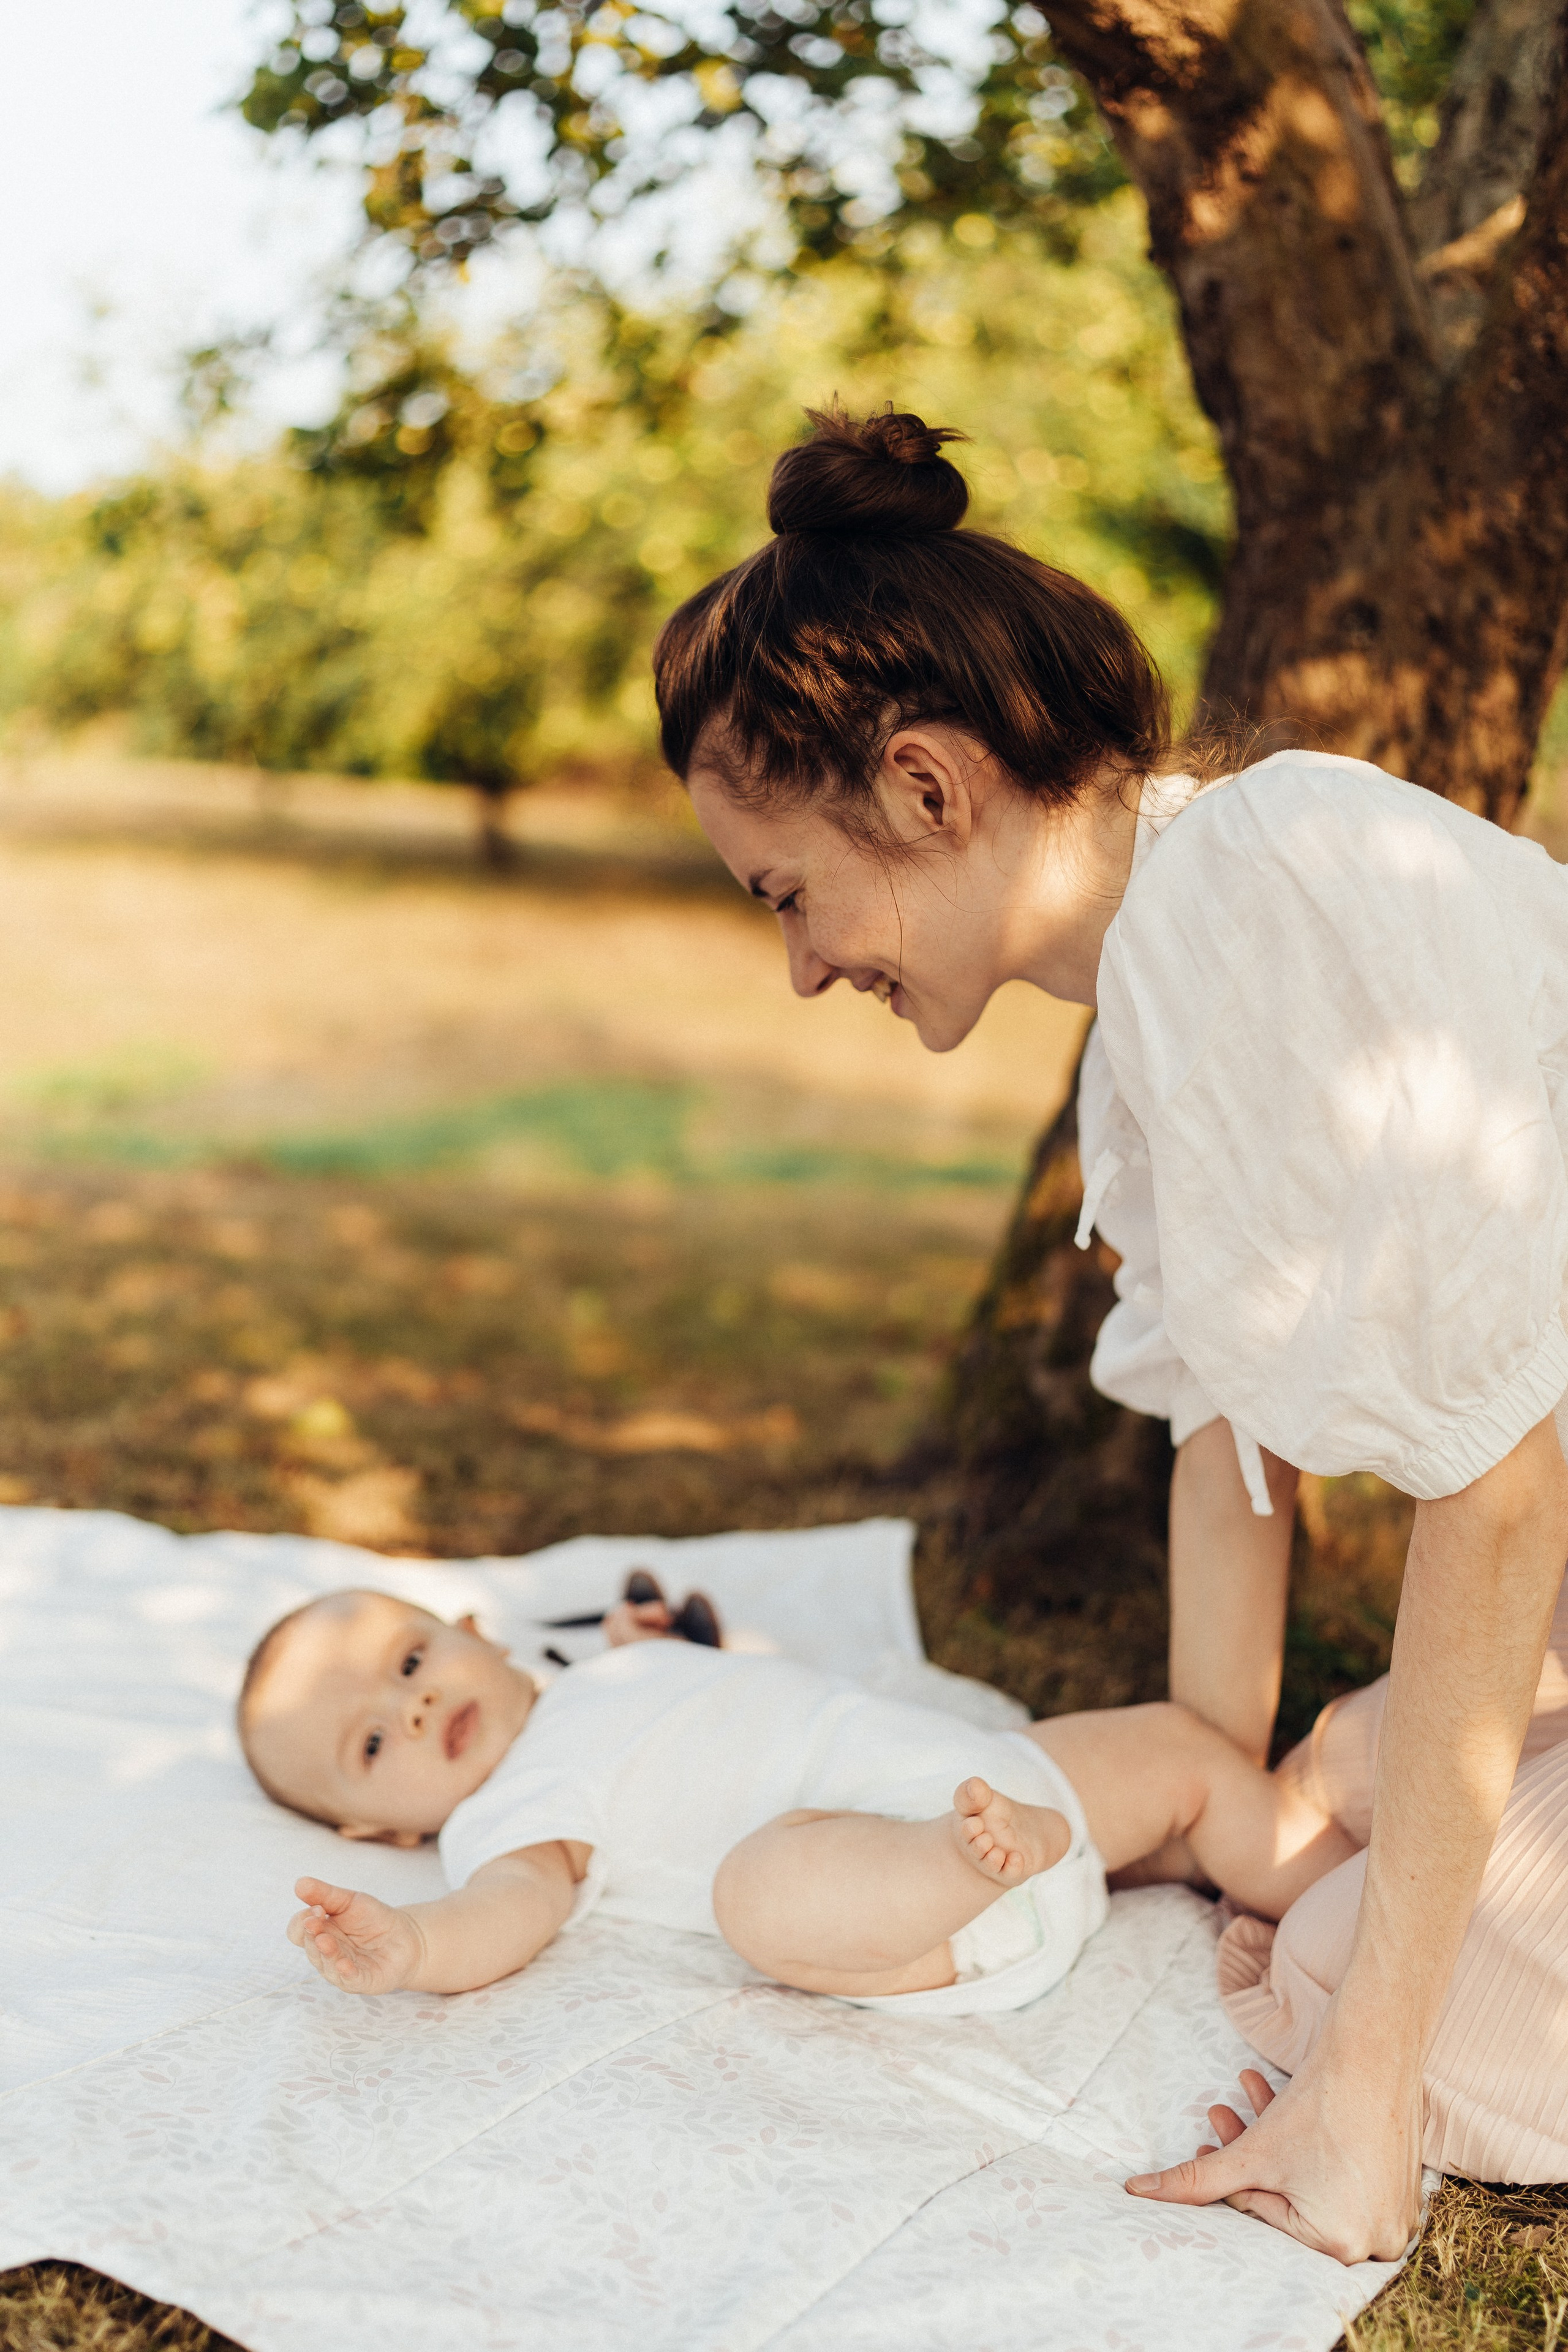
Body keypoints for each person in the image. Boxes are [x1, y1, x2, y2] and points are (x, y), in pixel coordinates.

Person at [650, 402, 1568, 2260]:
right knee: (1318, 1821)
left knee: (1354, 1986)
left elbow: (1510, 1490)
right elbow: (1226, 1443)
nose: (805, 962)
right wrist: (1198, 1785)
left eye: (788, 894)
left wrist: (1362, 2096)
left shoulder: (1274, 883)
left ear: (925, 790)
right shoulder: (1162, 977)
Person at [242, 1587, 1352, 2009]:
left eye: (410, 1661)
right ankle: (967, 1864)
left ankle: (1358, 1896)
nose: (423, 1707)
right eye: (378, 1741)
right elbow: (507, 1910)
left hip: (978, 1777)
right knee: (758, 1894)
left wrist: (655, 1645)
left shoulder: (593, 1677)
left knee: (1182, 1751)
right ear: (382, 1828)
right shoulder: (511, 1816)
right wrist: (415, 1947)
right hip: (901, 1895)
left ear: (474, 1633)